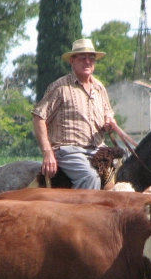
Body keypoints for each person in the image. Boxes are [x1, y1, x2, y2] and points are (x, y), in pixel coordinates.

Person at [31, 38, 118, 189]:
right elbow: (39, 117)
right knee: (90, 177)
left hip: (98, 149)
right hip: (69, 152)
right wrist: (47, 152)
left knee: (128, 173)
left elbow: (108, 116)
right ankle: (85, 212)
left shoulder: (99, 88)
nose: (87, 61)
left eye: (91, 57)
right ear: (72, 61)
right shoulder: (60, 87)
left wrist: (109, 123)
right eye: (82, 57)